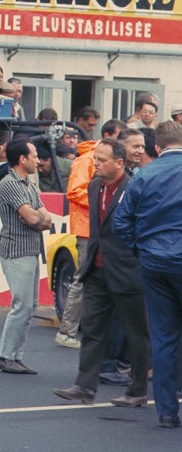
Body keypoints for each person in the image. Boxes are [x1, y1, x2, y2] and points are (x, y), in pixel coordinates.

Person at [54, 138, 150, 409]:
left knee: (136, 333)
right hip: (96, 270)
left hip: (127, 272)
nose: (95, 163)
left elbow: (141, 229)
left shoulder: (134, 188)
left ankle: (137, 390)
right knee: (93, 328)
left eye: (102, 159)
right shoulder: (95, 185)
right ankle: (84, 386)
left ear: (119, 164)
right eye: (96, 158)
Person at [114, 120, 182, 426]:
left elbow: (120, 222)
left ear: (157, 146)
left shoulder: (144, 175)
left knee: (163, 336)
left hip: (155, 261)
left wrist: (141, 249)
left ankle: (166, 411)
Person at [0, 139, 52, 375]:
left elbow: (45, 218)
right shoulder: (10, 184)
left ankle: (15, 356)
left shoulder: (29, 184)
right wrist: (36, 218)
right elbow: (32, 218)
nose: (38, 160)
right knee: (22, 306)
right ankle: (5, 355)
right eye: (35, 156)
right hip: (16, 250)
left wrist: (36, 218)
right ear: (22, 159)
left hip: (29, 249)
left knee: (29, 307)